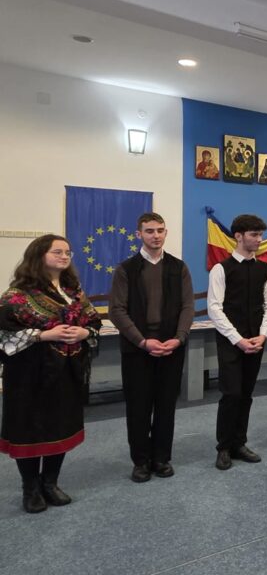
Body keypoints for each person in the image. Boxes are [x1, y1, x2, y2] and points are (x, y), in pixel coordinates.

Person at [0, 235, 102, 513]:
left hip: (66, 372)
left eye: (68, 252)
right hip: (29, 374)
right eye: (57, 251)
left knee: (60, 424)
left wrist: (84, 332)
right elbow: (3, 333)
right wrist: (44, 335)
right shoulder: (17, 294)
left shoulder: (74, 291)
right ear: (39, 255)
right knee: (30, 428)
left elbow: (94, 321)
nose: (64, 256)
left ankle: (50, 483)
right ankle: (30, 488)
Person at [109, 213, 195, 483]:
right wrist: (142, 341)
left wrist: (179, 337)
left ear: (166, 233)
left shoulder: (178, 267)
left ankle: (161, 458)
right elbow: (117, 310)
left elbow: (188, 306)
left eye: (160, 230)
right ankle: (141, 461)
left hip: (171, 348)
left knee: (166, 406)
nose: (155, 235)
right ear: (139, 234)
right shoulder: (126, 269)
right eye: (149, 231)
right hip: (137, 350)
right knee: (138, 408)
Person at [208, 214, 267, 470]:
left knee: (246, 394)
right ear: (238, 236)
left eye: (260, 234)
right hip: (230, 341)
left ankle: (239, 443)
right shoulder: (221, 269)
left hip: (256, 340)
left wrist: (263, 335)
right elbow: (215, 308)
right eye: (254, 234)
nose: (259, 239)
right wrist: (238, 340)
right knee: (231, 393)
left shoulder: (265, 269)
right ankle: (224, 447)